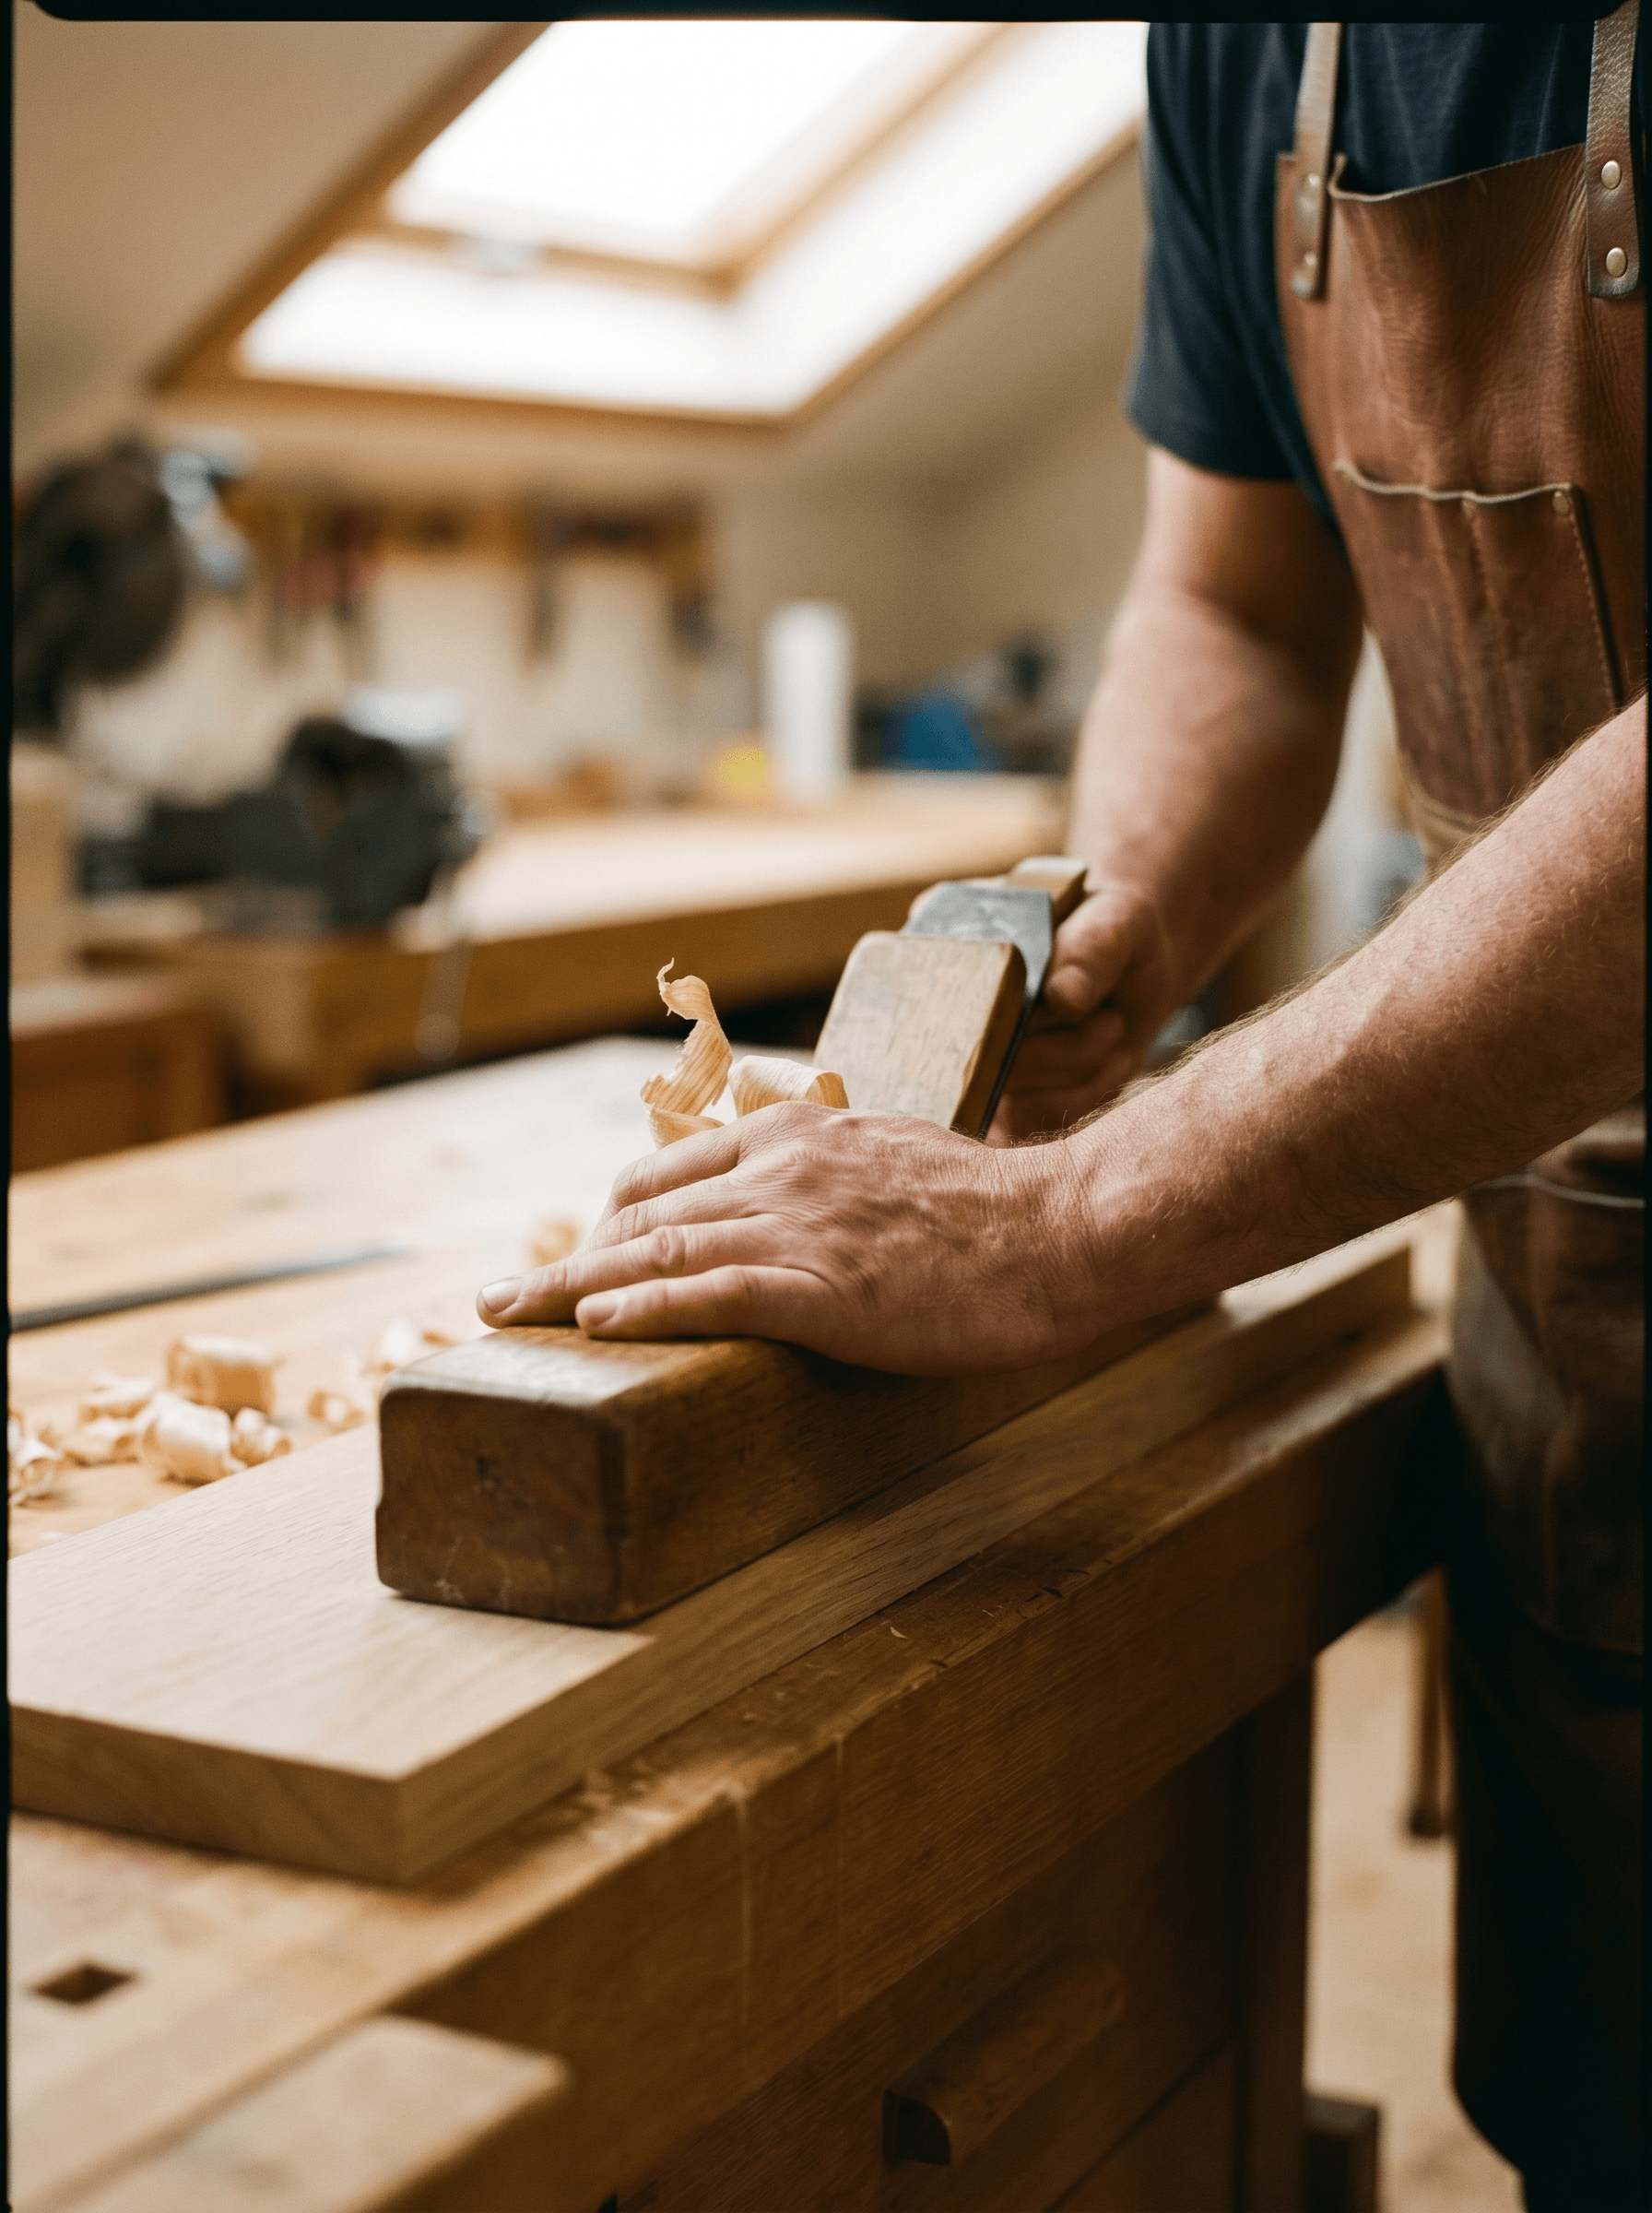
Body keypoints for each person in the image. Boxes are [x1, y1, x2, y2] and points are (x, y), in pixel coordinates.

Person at [478, 21, 1644, 2207]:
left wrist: (1064, 1219)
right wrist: (1105, 929)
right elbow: (1229, 604)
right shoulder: (1248, 42)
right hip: (1573, 1310)